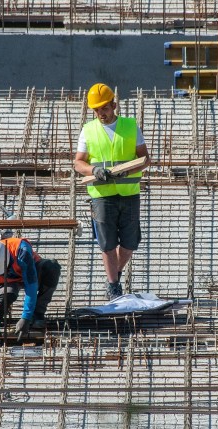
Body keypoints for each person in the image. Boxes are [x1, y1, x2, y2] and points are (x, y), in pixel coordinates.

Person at [73, 83, 151, 300]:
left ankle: (114, 270)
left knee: (129, 243)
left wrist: (129, 170)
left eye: (104, 109)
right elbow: (78, 163)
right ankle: (113, 284)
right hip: (101, 195)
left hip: (128, 192)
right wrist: (94, 170)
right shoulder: (88, 130)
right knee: (107, 243)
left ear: (114, 105)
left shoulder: (130, 126)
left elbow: (145, 159)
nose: (101, 114)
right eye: (96, 110)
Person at [0, 238, 61, 343]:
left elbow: (31, 286)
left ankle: (37, 314)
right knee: (6, 295)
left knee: (52, 268)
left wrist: (26, 317)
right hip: (8, 284)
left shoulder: (22, 251)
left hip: (31, 272)